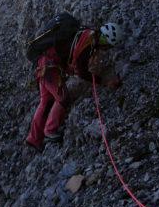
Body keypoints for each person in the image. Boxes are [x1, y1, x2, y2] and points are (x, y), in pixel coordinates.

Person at [26, 21, 124, 152]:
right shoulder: (88, 43)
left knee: (45, 101)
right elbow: (82, 72)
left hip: (44, 63)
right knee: (63, 98)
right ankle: (50, 131)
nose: (106, 49)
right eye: (108, 46)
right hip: (49, 66)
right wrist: (104, 81)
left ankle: (33, 139)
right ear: (106, 40)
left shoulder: (86, 33)